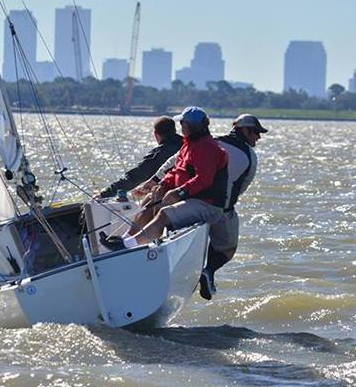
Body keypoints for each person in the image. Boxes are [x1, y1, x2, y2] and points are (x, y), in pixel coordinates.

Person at [134, 113, 267, 300]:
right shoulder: (249, 157)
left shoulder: (210, 142)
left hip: (188, 199)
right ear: (243, 130)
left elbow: (175, 163)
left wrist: (155, 182)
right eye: (255, 132)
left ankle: (131, 243)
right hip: (218, 210)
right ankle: (209, 271)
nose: (258, 137)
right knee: (228, 248)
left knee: (151, 203)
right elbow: (239, 190)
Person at [100, 107, 228, 250]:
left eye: (182, 124)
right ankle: (125, 238)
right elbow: (175, 171)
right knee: (151, 199)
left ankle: (128, 245)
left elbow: (204, 180)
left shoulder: (208, 148)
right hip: (190, 198)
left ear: (190, 126)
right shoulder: (188, 145)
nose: (181, 127)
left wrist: (179, 192)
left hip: (207, 204)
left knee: (164, 213)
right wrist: (162, 185)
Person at [95, 116, 182, 199]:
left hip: (174, 196)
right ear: (174, 130)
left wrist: (104, 194)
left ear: (156, 134)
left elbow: (135, 177)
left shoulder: (159, 154)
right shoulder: (187, 144)